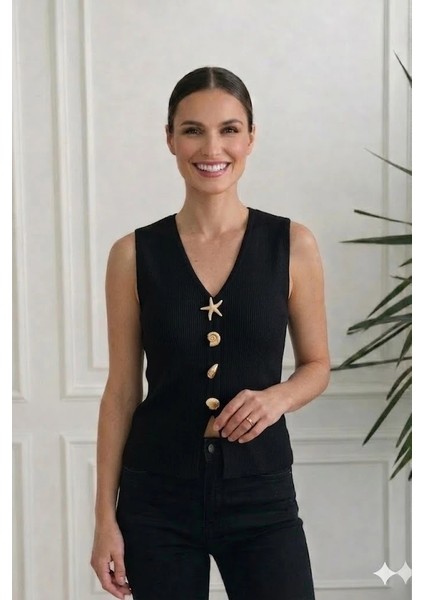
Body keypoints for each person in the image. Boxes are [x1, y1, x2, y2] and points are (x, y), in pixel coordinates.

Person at [90, 66, 330, 600]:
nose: (212, 148)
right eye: (193, 130)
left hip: (261, 495)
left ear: (251, 138)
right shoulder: (132, 255)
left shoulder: (293, 245)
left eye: (229, 129)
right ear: (170, 138)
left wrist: (276, 399)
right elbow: (121, 391)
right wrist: (105, 518)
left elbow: (317, 365)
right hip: (156, 499)